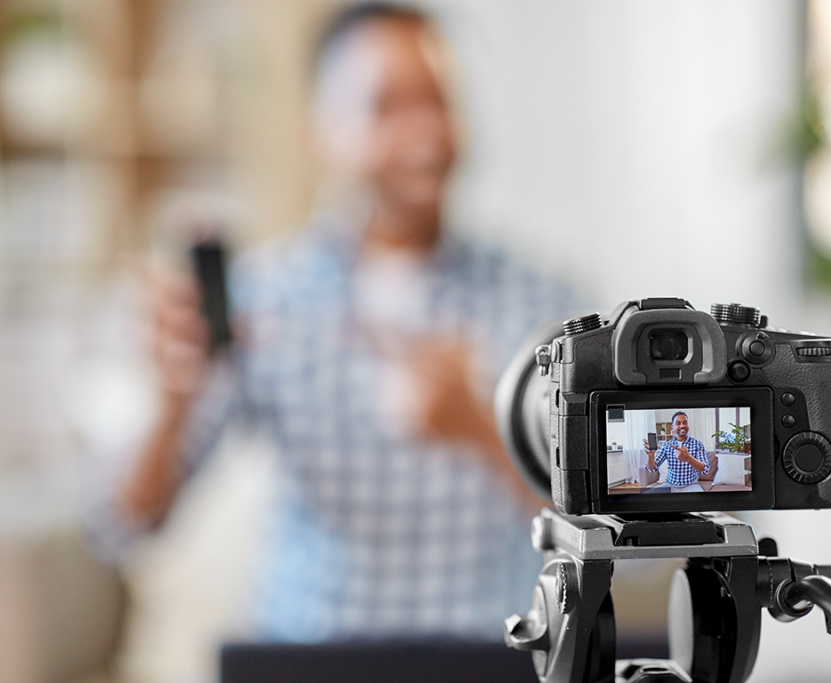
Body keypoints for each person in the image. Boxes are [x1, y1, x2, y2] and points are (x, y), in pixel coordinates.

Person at [86, 2, 581, 641]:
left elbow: (611, 544)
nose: (425, 130)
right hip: (314, 654)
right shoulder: (264, 302)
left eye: (439, 100)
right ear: (319, 133)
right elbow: (123, 526)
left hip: (491, 655)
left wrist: (483, 432)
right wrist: (174, 404)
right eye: (386, 106)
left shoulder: (543, 306)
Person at [642, 411, 709, 493]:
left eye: (685, 422)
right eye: (678, 423)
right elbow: (652, 468)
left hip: (691, 485)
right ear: (672, 427)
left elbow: (705, 469)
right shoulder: (666, 446)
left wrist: (688, 458)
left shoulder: (698, 444)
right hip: (669, 485)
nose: (682, 425)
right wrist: (651, 456)